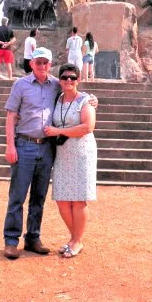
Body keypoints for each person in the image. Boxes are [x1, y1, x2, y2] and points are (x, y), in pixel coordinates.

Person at [1, 49, 99, 260]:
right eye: (38, 62)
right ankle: (11, 241)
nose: (42, 66)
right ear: (31, 63)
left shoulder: (56, 84)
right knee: (18, 196)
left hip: (47, 147)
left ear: (50, 64)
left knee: (39, 197)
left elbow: (76, 94)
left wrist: (92, 99)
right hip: (25, 144)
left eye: (46, 62)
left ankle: (33, 238)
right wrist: (10, 146)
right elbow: (11, 116)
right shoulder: (20, 85)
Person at [43, 64, 97, 258]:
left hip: (82, 153)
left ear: (78, 80)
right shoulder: (57, 99)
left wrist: (58, 131)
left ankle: (77, 241)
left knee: (79, 199)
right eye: (65, 77)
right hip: (63, 153)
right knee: (62, 199)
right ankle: (74, 238)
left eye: (73, 78)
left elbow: (88, 127)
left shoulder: (85, 100)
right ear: (59, 80)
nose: (69, 81)